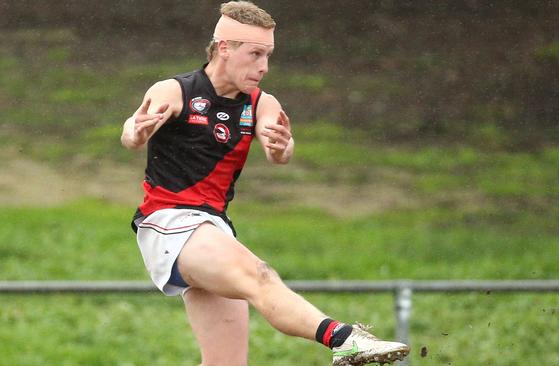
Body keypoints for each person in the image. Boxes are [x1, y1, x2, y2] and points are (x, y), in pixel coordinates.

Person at [120, 2, 410, 365]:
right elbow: (132, 132)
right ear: (224, 48)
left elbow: (279, 148)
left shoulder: (260, 104)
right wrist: (136, 131)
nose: (264, 67)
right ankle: (344, 338)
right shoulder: (175, 91)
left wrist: (284, 146)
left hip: (214, 231)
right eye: (256, 54)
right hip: (170, 225)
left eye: (268, 55)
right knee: (260, 275)